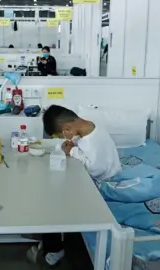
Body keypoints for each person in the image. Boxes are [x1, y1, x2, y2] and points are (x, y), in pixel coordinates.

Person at [27, 105, 122, 267]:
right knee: (52, 189)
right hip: (90, 179)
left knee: (52, 202)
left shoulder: (95, 140)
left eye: (62, 134)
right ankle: (51, 240)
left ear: (68, 128)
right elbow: (79, 146)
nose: (65, 138)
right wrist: (71, 147)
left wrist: (72, 151)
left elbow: (93, 168)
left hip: (103, 184)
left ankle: (54, 249)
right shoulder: (88, 129)